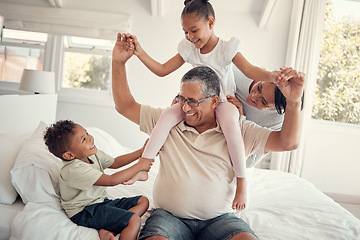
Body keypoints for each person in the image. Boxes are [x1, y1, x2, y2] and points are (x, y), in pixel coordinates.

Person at [112, 32, 305, 240]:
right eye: (181, 98)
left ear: (215, 101)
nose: (185, 108)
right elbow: (125, 106)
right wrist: (118, 62)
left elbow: (288, 143)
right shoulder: (168, 120)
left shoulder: (240, 129)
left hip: (220, 219)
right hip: (169, 218)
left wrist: (293, 103)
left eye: (194, 101)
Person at [124, 0, 283, 211]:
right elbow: (162, 70)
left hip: (223, 102)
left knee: (232, 128)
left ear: (211, 23)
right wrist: (139, 51)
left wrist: (274, 77)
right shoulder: (189, 49)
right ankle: (145, 164)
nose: (190, 37)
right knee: (167, 116)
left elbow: (250, 70)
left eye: (194, 30)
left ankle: (242, 181)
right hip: (194, 103)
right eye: (185, 32)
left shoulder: (227, 48)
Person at [43, 120, 154, 240]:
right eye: (83, 139)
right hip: (84, 211)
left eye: (87, 133)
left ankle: (109, 228)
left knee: (143, 201)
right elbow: (112, 180)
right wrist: (139, 166)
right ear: (69, 155)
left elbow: (115, 162)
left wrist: (140, 153)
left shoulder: (91, 154)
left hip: (101, 203)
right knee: (134, 220)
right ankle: (116, 225)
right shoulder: (73, 170)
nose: (90, 138)